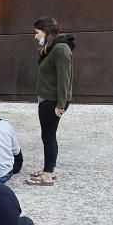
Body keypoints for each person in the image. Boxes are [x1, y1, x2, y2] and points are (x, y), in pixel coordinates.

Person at [27, 17, 75, 186]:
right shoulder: (51, 48)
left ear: (46, 32)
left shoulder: (60, 49)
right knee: (47, 135)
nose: (35, 36)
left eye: (37, 32)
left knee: (48, 136)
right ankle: (49, 169)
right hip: (47, 99)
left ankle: (47, 174)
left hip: (53, 100)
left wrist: (61, 104)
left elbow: (64, 79)